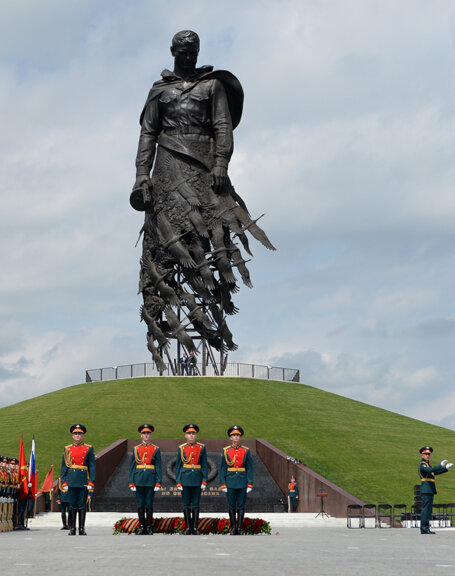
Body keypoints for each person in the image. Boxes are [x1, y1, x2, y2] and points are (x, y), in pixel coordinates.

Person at [131, 30, 274, 371]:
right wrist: (141, 176)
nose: (188, 55)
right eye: (182, 50)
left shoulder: (213, 86)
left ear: (198, 52)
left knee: (210, 238)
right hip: (167, 168)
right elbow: (148, 133)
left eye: (192, 50)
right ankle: (170, 329)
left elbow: (224, 127)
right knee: (166, 244)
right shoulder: (159, 91)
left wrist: (221, 163)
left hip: (205, 166)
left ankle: (213, 320)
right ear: (172, 51)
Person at [60, 424, 95, 535]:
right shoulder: (67, 449)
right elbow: (64, 467)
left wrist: (91, 481)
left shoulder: (88, 448)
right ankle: (72, 528)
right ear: (72, 435)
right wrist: (64, 481)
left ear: (83, 435)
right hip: (71, 480)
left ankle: (81, 528)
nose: (77, 436)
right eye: (75, 434)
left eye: (79, 433)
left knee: (82, 505)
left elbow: (92, 466)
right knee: (72, 505)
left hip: (83, 480)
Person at [219, 425, 254, 535]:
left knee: (241, 505)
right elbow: (222, 468)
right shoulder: (225, 451)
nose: (236, 437)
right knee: (231, 505)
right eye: (233, 435)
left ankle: (240, 528)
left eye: (238, 435)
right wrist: (223, 484)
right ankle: (233, 528)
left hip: (242, 481)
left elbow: (250, 468)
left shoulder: (246, 451)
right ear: (230, 437)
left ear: (240, 437)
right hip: (230, 482)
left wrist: (250, 483)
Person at [128, 424, 162, 535]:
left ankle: (149, 527)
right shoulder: (136, 449)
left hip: (150, 480)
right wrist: (131, 481)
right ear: (141, 435)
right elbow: (132, 466)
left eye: (148, 433)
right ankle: (142, 526)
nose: (146, 435)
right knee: (140, 504)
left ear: (150, 435)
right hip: (139, 479)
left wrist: (158, 481)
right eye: (144, 433)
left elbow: (158, 466)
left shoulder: (156, 449)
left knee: (149, 504)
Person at [176, 423, 208, 534]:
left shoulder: (201, 448)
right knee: (186, 504)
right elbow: (178, 466)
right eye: (189, 433)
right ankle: (188, 527)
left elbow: (204, 465)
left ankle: (195, 527)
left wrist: (204, 480)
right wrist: (178, 481)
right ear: (185, 435)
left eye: (193, 433)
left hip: (197, 479)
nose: (191, 435)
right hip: (185, 479)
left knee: (195, 504)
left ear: (196, 435)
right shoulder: (181, 448)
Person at [417, 446, 452, 534]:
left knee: (428, 510)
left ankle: (426, 528)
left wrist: (445, 468)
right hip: (426, 489)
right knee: (426, 509)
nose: (427, 456)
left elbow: (434, 472)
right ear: (422, 455)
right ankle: (424, 528)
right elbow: (431, 470)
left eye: (428, 454)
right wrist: (440, 465)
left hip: (430, 489)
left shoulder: (428, 464)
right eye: (426, 454)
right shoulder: (422, 464)